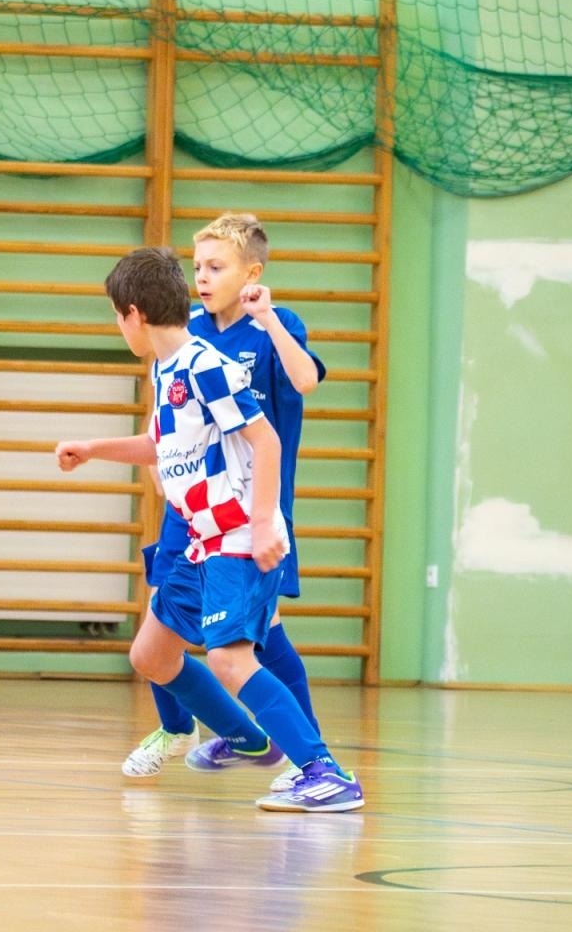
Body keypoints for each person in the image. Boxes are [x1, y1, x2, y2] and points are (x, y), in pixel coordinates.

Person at [55, 247, 363, 813]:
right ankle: (249, 739)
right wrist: (94, 449)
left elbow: (265, 439)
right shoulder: (168, 369)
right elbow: (163, 444)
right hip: (200, 539)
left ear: (132, 314)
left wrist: (265, 521)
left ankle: (326, 773)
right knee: (151, 655)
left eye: (115, 318)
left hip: (237, 537)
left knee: (229, 658)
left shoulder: (205, 366)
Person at [123, 214, 326, 796]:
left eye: (217, 267)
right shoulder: (186, 326)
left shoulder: (275, 326)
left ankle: (301, 755)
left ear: (253, 273)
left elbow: (307, 381)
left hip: (247, 510)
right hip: (190, 506)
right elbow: (166, 401)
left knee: (260, 636)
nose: (203, 278)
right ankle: (190, 729)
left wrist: (268, 320)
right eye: (198, 267)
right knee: (163, 614)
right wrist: (159, 462)